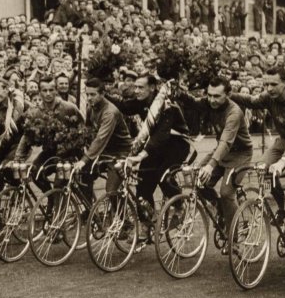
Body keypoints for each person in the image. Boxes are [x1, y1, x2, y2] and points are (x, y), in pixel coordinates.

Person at [230, 65, 285, 271]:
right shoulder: (268, 97)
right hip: (283, 141)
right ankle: (283, 206)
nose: (268, 88)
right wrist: (229, 94)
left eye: (273, 84)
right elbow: (251, 102)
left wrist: (283, 161)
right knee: (262, 168)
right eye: (266, 84)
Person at [176, 77, 254, 239]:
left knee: (226, 193)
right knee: (197, 181)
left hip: (239, 154)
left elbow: (226, 141)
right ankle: (220, 208)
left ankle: (233, 234)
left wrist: (210, 165)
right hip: (221, 151)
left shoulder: (234, 112)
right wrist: (178, 91)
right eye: (209, 95)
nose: (211, 99)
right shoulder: (208, 102)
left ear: (228, 94)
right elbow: (193, 102)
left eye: (217, 96)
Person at [109, 75, 190, 210]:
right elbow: (124, 106)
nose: (136, 91)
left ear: (152, 88)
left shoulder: (167, 105)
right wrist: (101, 94)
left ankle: (180, 207)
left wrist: (140, 156)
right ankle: (148, 223)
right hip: (155, 148)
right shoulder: (141, 102)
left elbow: (160, 136)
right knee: (142, 184)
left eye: (140, 87)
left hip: (176, 146)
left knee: (163, 176)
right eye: (135, 87)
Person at [15, 76, 84, 192]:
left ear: (56, 90)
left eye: (51, 90)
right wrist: (18, 158)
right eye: (44, 90)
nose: (48, 94)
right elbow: (27, 136)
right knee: (35, 172)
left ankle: (81, 205)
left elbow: (82, 128)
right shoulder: (35, 112)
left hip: (70, 153)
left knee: (61, 183)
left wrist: (81, 154)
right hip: (50, 152)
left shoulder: (69, 108)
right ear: (39, 92)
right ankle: (49, 197)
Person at [74, 78, 131, 199]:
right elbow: (88, 130)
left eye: (93, 94)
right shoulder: (91, 107)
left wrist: (84, 159)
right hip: (104, 152)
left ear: (102, 94)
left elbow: (101, 138)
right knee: (83, 175)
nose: (89, 98)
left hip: (120, 153)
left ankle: (119, 216)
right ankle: (90, 212)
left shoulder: (110, 112)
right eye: (87, 94)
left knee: (111, 190)